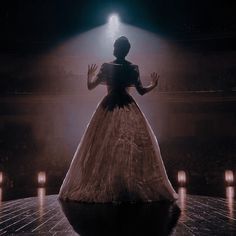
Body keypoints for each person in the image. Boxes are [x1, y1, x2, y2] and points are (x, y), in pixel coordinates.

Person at [58, 36, 178, 203]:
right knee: (128, 145)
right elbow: (141, 91)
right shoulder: (133, 68)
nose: (114, 48)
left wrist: (89, 75)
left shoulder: (107, 66)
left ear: (117, 48)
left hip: (109, 105)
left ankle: (109, 184)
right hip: (128, 105)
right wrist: (153, 84)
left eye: (115, 46)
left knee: (103, 145)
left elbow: (90, 86)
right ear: (127, 50)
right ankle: (125, 185)